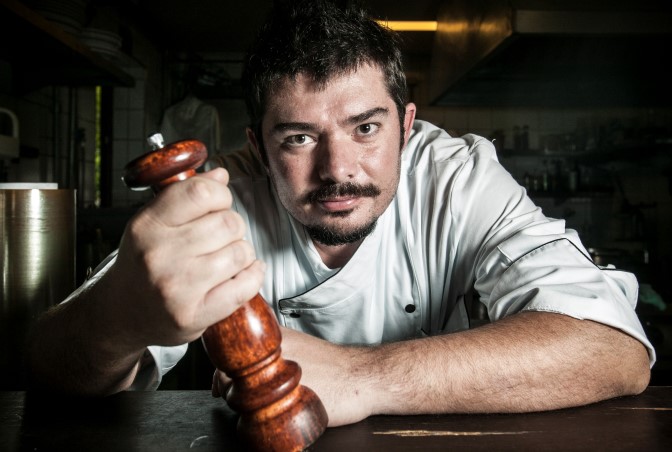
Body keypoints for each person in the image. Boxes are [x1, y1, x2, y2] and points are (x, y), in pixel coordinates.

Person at [27, 0, 653, 427]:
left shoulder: (456, 177)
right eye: (298, 138)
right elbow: (47, 370)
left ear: (407, 127)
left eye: (366, 128)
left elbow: (614, 346)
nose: (337, 169)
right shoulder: (218, 198)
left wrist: (365, 377)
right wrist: (120, 315)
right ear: (256, 145)